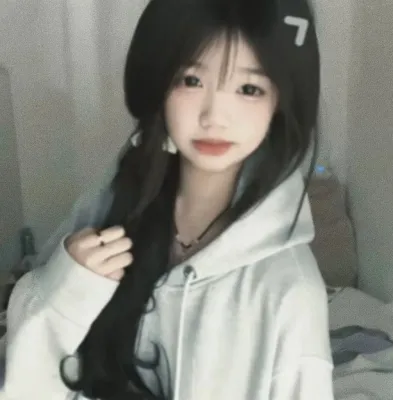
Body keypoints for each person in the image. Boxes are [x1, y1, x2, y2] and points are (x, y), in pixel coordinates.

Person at [1, 0, 334, 398]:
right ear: (159, 85)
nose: (214, 116)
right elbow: (27, 382)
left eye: (249, 89)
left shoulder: (289, 290)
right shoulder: (118, 201)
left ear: (279, 101)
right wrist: (63, 290)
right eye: (191, 81)